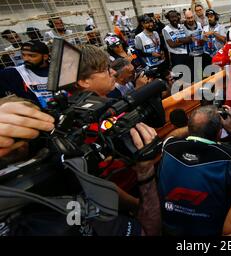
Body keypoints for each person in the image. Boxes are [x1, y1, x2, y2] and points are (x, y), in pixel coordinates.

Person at [0, 97, 162, 236]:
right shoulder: (48, 223)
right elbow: (149, 232)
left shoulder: (66, 168)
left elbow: (95, 187)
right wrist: (145, 170)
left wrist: (135, 205)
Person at [157, 105, 231, 236]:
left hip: (169, 227)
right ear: (219, 132)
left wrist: (197, 125)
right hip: (211, 230)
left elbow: (172, 135)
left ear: (189, 126)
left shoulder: (168, 147)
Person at [0, 40, 52, 108]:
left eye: (32, 56)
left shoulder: (60, 70)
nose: (26, 59)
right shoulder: (15, 73)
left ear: (45, 57)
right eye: (23, 55)